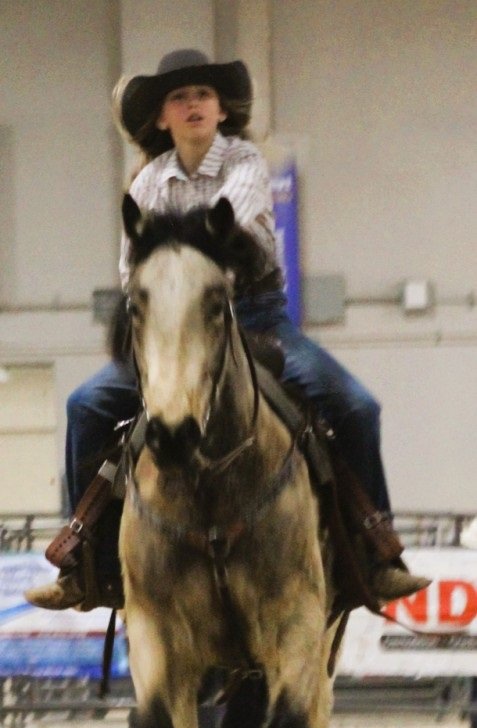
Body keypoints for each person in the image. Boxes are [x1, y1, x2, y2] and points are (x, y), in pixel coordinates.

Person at [26, 48, 428, 610]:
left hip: (256, 321)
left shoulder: (245, 162)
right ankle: (83, 558)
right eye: (180, 97)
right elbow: (130, 273)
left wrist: (167, 260)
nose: (193, 105)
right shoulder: (147, 184)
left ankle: (375, 549)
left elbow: (221, 232)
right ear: (162, 118)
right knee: (84, 406)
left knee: (356, 406)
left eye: (203, 96)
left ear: (221, 111)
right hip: (172, 329)